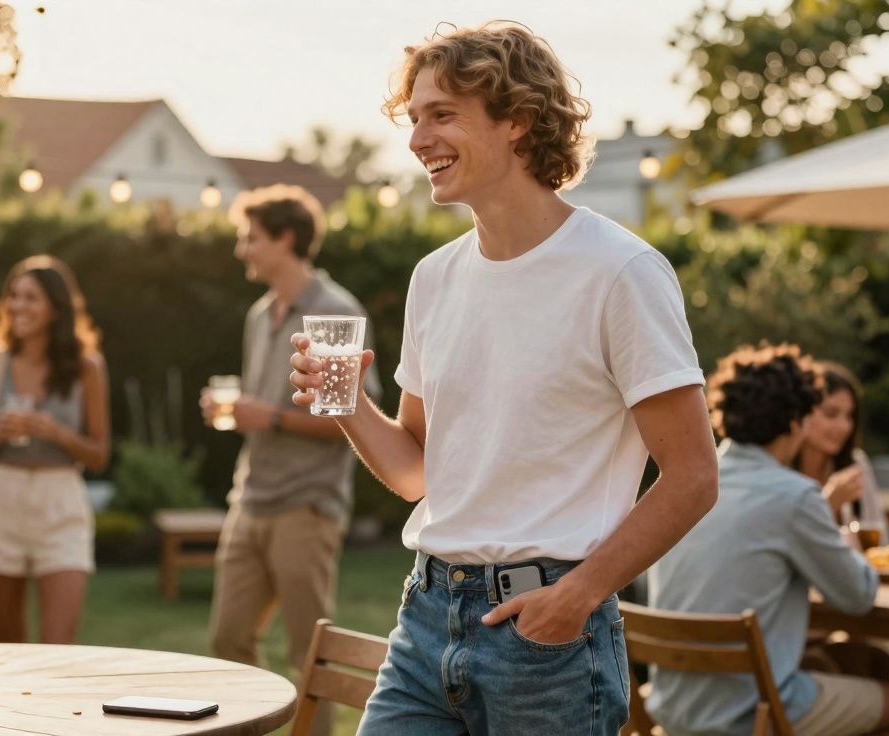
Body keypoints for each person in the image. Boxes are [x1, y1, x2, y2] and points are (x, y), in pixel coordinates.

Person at [289, 21, 718, 734]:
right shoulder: (435, 278)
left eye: (442, 115)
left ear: (517, 120)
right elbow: (418, 474)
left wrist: (577, 595)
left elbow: (694, 475)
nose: (418, 139)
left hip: (544, 638)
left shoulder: (621, 272)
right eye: (416, 118)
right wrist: (347, 405)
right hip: (427, 617)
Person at [648, 343, 889, 736]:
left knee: (842, 662)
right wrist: (848, 543)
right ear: (797, 422)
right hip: (751, 715)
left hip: (671, 710)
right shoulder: (794, 496)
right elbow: (859, 596)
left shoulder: (685, 488)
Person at [203, 184, 378, 735]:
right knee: (227, 641)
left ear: (285, 239)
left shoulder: (333, 313)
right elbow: (257, 407)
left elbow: (350, 422)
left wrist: (270, 416)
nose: (242, 250)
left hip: (307, 504)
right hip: (250, 498)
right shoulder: (260, 314)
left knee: (310, 653)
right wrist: (236, 412)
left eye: (249, 238)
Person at [0, 255, 109, 644]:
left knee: (57, 648)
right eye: (13, 296)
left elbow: (99, 455)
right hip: (0, 498)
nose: (17, 306)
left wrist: (56, 432)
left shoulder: (87, 367)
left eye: (30, 298)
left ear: (55, 309)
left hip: (60, 501)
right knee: (8, 646)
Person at [795, 361, 889, 538]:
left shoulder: (855, 463)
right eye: (831, 414)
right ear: (802, 414)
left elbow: (880, 538)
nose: (844, 426)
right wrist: (827, 504)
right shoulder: (776, 468)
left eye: (849, 416)